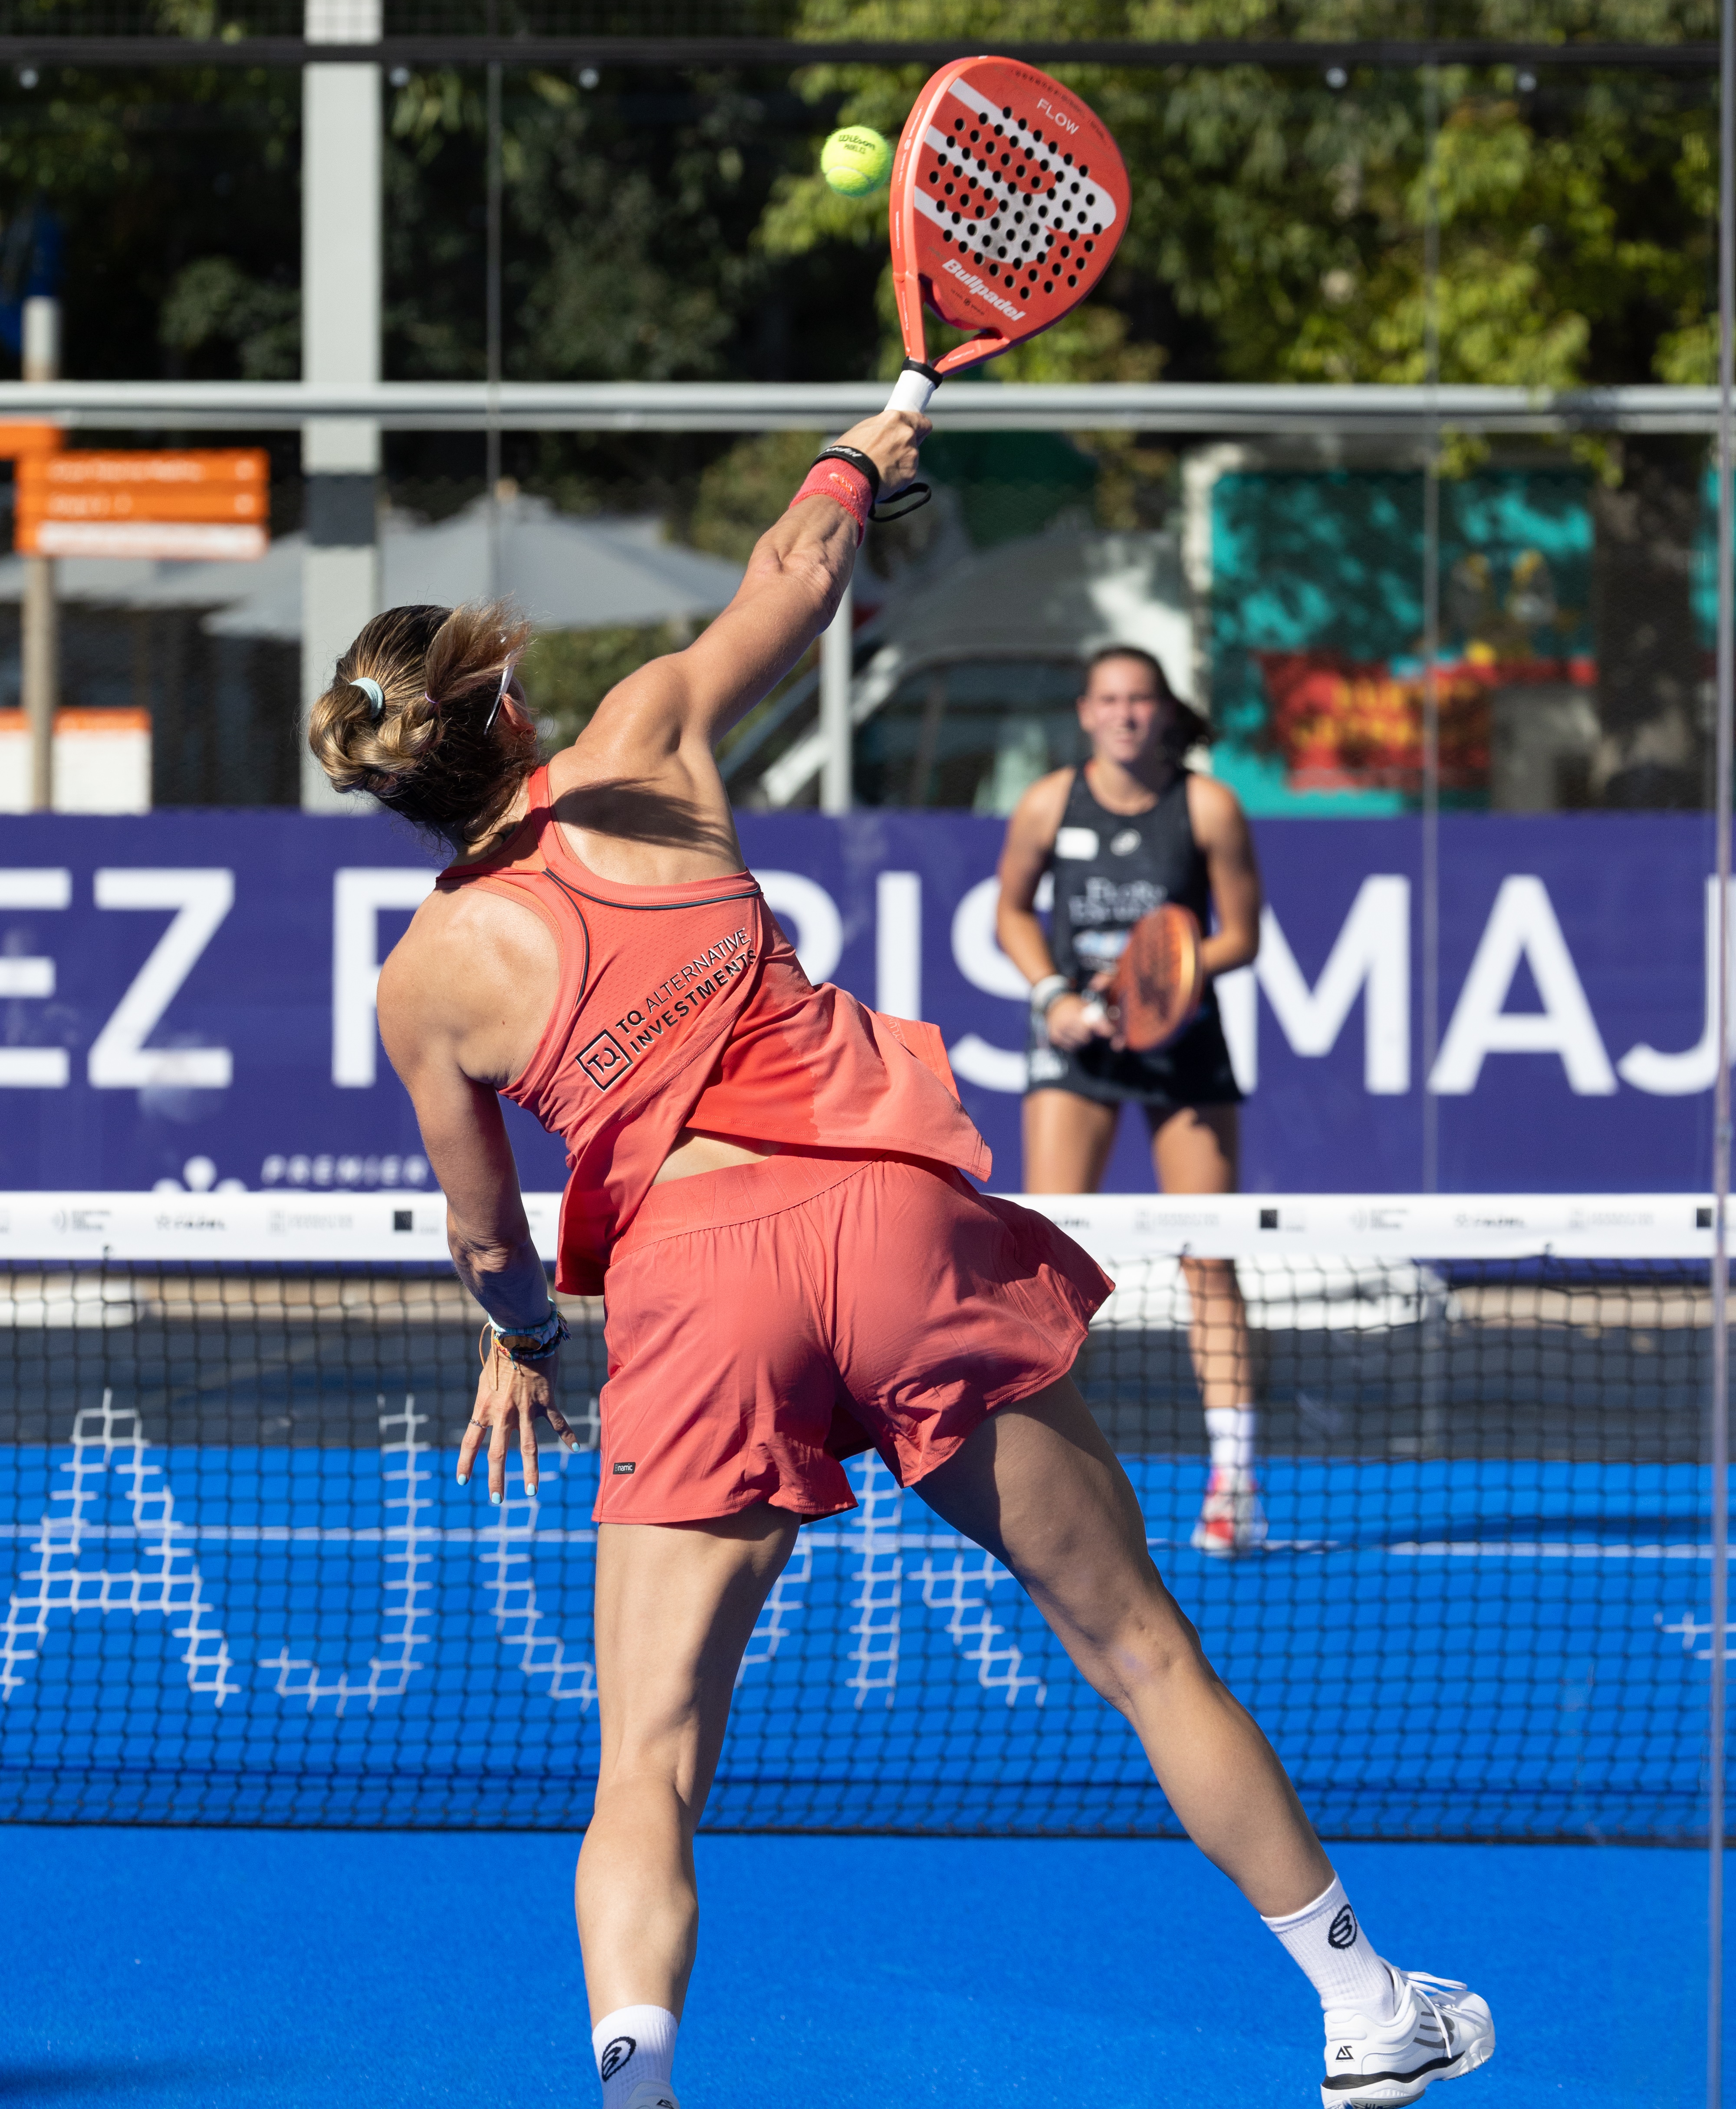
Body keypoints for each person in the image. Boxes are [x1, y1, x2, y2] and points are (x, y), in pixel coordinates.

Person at [307, 412, 1492, 2109]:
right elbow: (795, 572)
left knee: (641, 1761)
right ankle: (1366, 2005)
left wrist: (523, 1339)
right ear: (505, 708)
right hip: (897, 1230)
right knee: (1144, 1645)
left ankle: (633, 2088)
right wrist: (855, 456)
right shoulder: (643, 736)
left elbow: (492, 1238)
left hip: (693, 1290)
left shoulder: (420, 980)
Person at [996, 647, 1266, 1556]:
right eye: (1107, 701)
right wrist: (1053, 998)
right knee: (1046, 1263)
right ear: (1086, 713)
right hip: (1075, 1049)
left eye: (1139, 700)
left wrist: (1166, 977)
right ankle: (1040, 1484)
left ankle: (1234, 1483)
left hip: (1183, 1050)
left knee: (1209, 1256)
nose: (1123, 715)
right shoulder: (1047, 802)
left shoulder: (1206, 806)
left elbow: (1242, 934)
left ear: (1161, 712)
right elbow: (1011, 913)